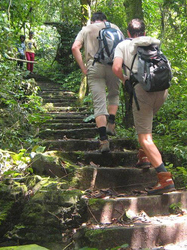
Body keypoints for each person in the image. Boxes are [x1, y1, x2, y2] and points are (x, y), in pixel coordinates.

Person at [112, 18, 175, 195]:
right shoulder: (153, 44)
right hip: (162, 90)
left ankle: (165, 178)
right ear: (144, 33)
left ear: (128, 33)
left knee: (145, 137)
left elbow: (116, 68)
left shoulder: (123, 45)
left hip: (143, 91)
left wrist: (124, 79)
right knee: (145, 125)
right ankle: (144, 157)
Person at [72, 12, 121, 153]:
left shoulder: (87, 29)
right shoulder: (115, 27)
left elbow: (75, 47)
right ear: (105, 19)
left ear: (93, 20)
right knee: (114, 94)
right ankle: (111, 122)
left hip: (94, 66)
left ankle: (103, 139)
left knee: (99, 102)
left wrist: (83, 68)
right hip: (113, 66)